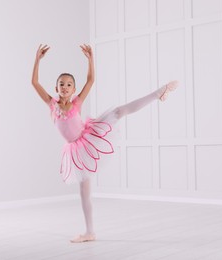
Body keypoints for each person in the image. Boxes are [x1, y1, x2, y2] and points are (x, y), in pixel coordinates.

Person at [31, 44, 178, 243]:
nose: (64, 87)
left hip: (88, 138)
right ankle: (89, 232)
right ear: (56, 88)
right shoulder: (51, 104)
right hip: (76, 151)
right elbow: (34, 82)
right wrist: (37, 59)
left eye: (68, 84)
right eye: (61, 84)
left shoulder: (76, 103)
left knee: (118, 112)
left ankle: (157, 93)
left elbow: (91, 80)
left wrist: (90, 59)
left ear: (73, 89)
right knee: (84, 193)